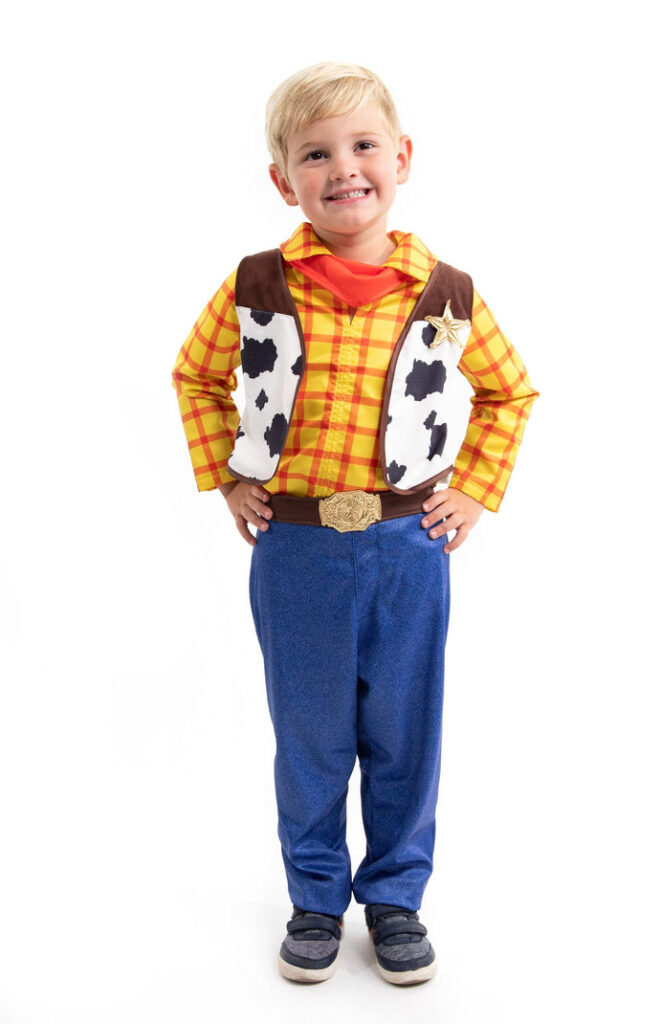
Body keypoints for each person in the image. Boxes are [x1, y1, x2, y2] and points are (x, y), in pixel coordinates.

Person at [171, 61, 539, 986]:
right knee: (311, 735)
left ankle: (396, 899)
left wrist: (473, 490)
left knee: (404, 732)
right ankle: (314, 898)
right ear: (282, 180)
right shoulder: (257, 284)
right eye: (315, 154)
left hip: (409, 548)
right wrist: (229, 477)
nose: (343, 168)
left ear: (401, 158)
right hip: (294, 548)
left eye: (363, 145)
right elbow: (196, 375)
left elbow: (509, 392)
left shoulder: (445, 294)